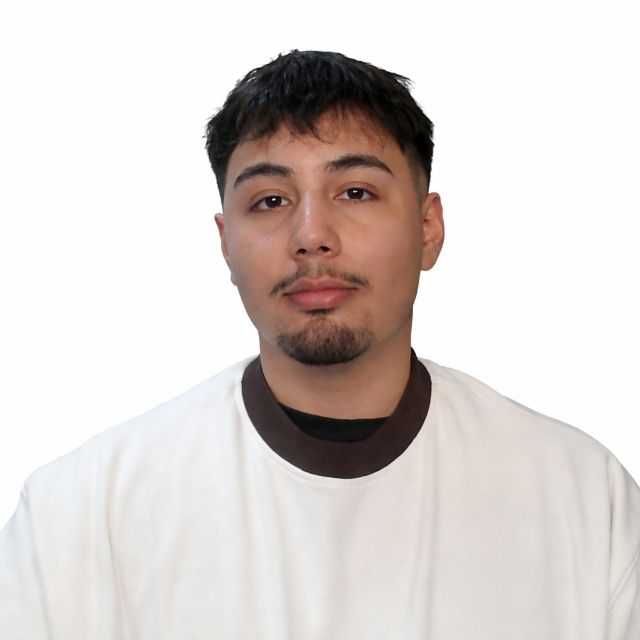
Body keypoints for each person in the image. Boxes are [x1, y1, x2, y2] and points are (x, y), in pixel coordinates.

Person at [1, 49, 638, 639]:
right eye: (270, 200)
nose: (311, 235)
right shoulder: (81, 514)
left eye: (355, 192)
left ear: (428, 228)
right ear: (225, 242)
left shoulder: (582, 497)